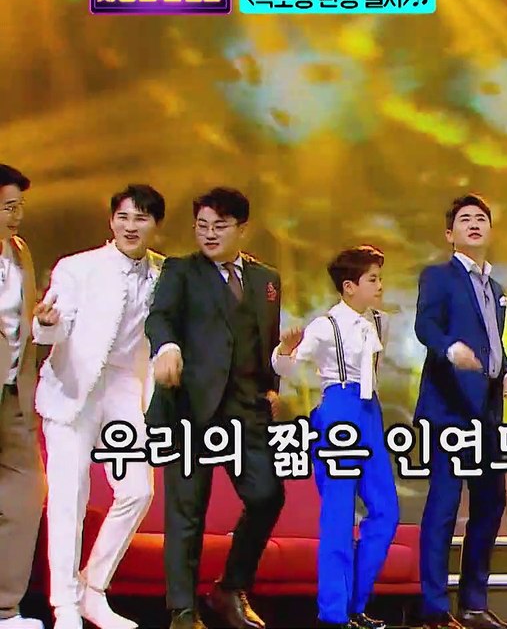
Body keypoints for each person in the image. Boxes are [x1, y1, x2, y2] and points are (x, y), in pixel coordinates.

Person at [145, 187, 286, 629]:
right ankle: (183, 611)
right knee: (187, 511)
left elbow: (267, 339)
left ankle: (230, 587)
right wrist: (166, 348)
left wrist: (271, 387)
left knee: (267, 495)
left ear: (242, 229)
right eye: (202, 226)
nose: (209, 234)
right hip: (191, 406)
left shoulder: (266, 279)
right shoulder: (181, 271)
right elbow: (160, 317)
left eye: (220, 227)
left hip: (246, 409)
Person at [33, 185, 169, 629]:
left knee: (137, 491)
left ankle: (93, 589)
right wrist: (46, 325)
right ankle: (65, 606)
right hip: (74, 388)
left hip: (126, 389)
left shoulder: (165, 274)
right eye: (123, 217)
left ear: (155, 225)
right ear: (111, 221)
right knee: (69, 497)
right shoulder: (78, 267)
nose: (131, 226)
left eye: (141, 218)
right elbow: (54, 326)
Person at [272, 245, 398, 629]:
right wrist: (285, 350)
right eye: (372, 279)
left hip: (370, 411)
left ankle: (355, 603)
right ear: (349, 286)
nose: (380, 285)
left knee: (386, 511)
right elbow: (288, 367)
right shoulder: (325, 326)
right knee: (339, 516)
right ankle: (334, 614)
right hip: (338, 409)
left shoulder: (380, 323)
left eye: (379, 278)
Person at [413, 194, 507, 629]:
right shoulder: (438, 277)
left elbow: (494, 343)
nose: (474, 224)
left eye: (481, 219)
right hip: (448, 408)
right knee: (444, 506)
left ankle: (474, 604)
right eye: (465, 219)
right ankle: (434, 608)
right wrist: (449, 348)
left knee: (490, 504)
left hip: (487, 411)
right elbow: (425, 325)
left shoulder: (495, 289)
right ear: (449, 234)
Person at [0, 164, 44, 629]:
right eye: (9, 207)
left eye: (20, 207)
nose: (17, 216)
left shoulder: (19, 251)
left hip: (14, 389)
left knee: (26, 494)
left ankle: (5, 607)